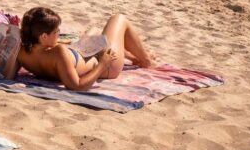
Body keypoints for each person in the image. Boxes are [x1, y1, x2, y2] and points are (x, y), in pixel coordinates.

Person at [10, 8, 154, 90]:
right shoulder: (59, 52)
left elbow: (8, 75)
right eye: (56, 32)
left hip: (80, 53)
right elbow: (77, 86)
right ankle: (146, 60)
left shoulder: (21, 50)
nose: (59, 34)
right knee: (119, 19)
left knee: (94, 32)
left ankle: (134, 58)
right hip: (108, 66)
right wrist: (104, 63)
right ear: (43, 36)